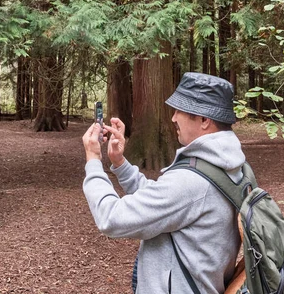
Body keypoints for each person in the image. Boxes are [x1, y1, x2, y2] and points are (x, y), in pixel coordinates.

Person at [82, 72, 246, 294]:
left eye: (180, 110)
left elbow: (112, 219)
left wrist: (93, 160)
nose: (173, 118)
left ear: (205, 120)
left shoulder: (192, 181)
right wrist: (120, 163)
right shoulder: (234, 166)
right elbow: (167, 201)